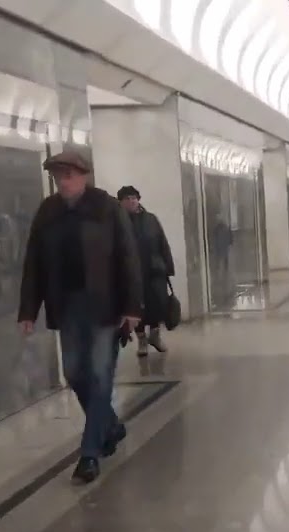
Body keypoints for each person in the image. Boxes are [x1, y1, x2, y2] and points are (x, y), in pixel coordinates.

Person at [19, 150, 142, 484]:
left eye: (69, 176)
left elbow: (128, 259)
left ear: (84, 176)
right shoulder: (48, 212)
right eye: (59, 177)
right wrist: (28, 310)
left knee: (101, 375)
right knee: (74, 372)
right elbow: (34, 263)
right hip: (68, 308)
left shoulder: (107, 209)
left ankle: (89, 454)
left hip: (106, 309)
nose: (64, 183)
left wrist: (133, 309)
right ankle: (111, 426)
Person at [117, 186, 175, 357]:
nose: (131, 201)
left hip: (154, 270)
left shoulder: (151, 219)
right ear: (120, 202)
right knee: (137, 308)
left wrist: (168, 267)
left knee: (158, 304)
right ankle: (142, 340)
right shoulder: (119, 222)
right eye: (127, 199)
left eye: (134, 198)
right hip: (132, 274)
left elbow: (162, 243)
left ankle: (155, 336)